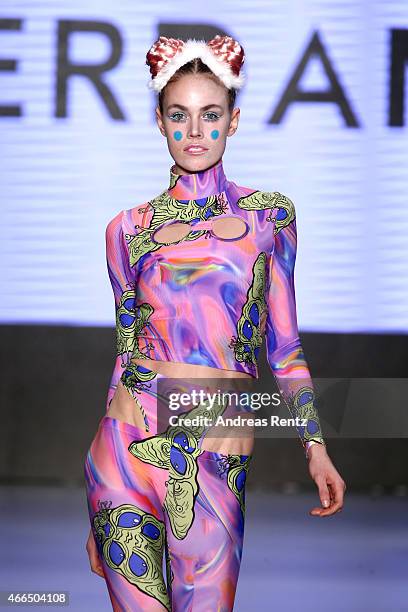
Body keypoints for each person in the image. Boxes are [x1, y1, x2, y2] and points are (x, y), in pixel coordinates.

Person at [84, 34, 346, 611]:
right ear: (160, 122)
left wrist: (315, 447)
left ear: (233, 121)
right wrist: (98, 506)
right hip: (124, 456)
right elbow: (127, 352)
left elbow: (284, 346)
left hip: (216, 450)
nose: (195, 131)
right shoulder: (126, 229)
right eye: (180, 116)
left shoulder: (268, 218)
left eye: (210, 115)